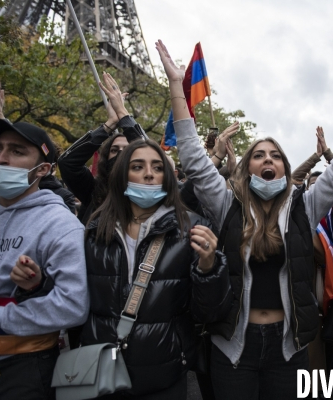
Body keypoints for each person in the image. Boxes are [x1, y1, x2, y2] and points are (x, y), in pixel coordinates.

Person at [158, 38, 333, 399]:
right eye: (259, 156)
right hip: (233, 347)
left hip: (289, 348)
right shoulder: (226, 205)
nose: (267, 160)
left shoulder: (305, 206)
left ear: (285, 168)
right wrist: (177, 85)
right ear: (247, 168)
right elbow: (191, 156)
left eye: (275, 156)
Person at [0, 78, 89, 399]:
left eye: (17, 151)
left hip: (22, 369)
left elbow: (73, 305)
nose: (1, 159)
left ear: (42, 169)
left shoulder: (61, 225)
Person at [81, 138, 231, 398]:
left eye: (158, 168)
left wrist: (208, 268)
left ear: (168, 178)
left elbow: (210, 312)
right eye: (137, 166)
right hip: (100, 369)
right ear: (122, 175)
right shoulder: (96, 228)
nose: (149, 174)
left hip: (165, 374)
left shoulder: (192, 228)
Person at [57, 72, 146, 224]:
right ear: (106, 156)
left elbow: (152, 155)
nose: (120, 154)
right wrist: (110, 124)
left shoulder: (150, 189)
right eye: (114, 149)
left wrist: (124, 115)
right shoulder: (93, 190)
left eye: (126, 149)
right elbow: (67, 163)